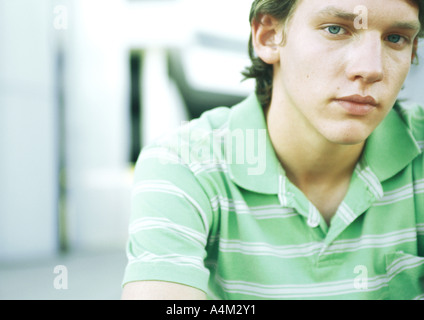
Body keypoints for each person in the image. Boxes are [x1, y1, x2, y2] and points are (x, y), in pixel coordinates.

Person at [121, 0, 424, 300]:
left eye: (395, 38)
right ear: (268, 36)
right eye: (335, 29)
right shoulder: (184, 162)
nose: (370, 69)